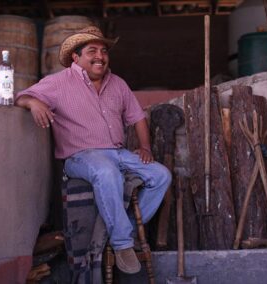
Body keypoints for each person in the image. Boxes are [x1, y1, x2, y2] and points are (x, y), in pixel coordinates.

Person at [15, 25, 171, 274]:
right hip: (80, 156)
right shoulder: (58, 82)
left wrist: (144, 147)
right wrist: (33, 103)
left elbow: (137, 117)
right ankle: (122, 245)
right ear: (76, 58)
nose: (100, 56)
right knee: (107, 173)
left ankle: (123, 229)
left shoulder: (117, 83)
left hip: (118, 152)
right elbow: (21, 96)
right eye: (92, 51)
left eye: (104, 51)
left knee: (161, 175)